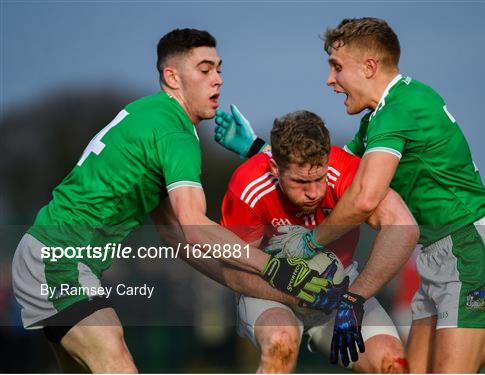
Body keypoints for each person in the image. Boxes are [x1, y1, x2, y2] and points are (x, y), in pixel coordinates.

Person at [11, 28, 335, 373]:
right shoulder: (175, 133)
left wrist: (253, 282)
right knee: (114, 353)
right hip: (59, 258)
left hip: (61, 258)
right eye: (205, 69)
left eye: (219, 69)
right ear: (172, 77)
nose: (218, 80)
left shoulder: (153, 115)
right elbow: (195, 228)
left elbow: (176, 234)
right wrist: (275, 270)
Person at [214, 17, 485, 373]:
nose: (330, 80)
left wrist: (311, 243)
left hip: (470, 248)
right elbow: (330, 173)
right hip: (438, 253)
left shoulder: (399, 108)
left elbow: (363, 196)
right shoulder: (378, 119)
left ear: (369, 66)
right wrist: (260, 150)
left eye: (337, 67)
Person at [218, 110, 418, 372]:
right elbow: (234, 274)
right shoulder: (249, 186)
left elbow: (404, 228)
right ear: (275, 168)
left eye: (319, 178)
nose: (313, 192)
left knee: (392, 362)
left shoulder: (345, 170)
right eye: (300, 181)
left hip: (341, 289)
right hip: (271, 290)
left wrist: (354, 298)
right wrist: (298, 293)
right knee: (281, 341)